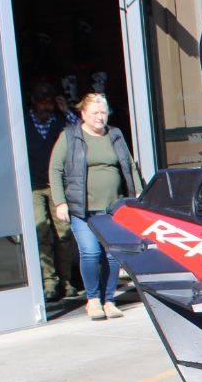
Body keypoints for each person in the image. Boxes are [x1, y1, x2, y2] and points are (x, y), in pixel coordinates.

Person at [49, 93, 142, 320]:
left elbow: (129, 165)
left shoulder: (115, 134)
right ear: (83, 114)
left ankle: (109, 300)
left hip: (112, 208)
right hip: (82, 209)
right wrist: (60, 202)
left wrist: (138, 192)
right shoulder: (70, 136)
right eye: (95, 113)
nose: (101, 117)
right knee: (90, 252)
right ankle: (93, 300)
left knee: (111, 255)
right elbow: (55, 169)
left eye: (103, 112)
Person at [23, 80, 75, 301]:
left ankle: (67, 280)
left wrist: (66, 111)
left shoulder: (61, 119)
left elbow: (81, 131)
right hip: (33, 186)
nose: (46, 107)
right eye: (41, 102)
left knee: (63, 234)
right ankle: (49, 282)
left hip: (56, 186)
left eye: (49, 102)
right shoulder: (24, 122)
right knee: (41, 232)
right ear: (33, 101)